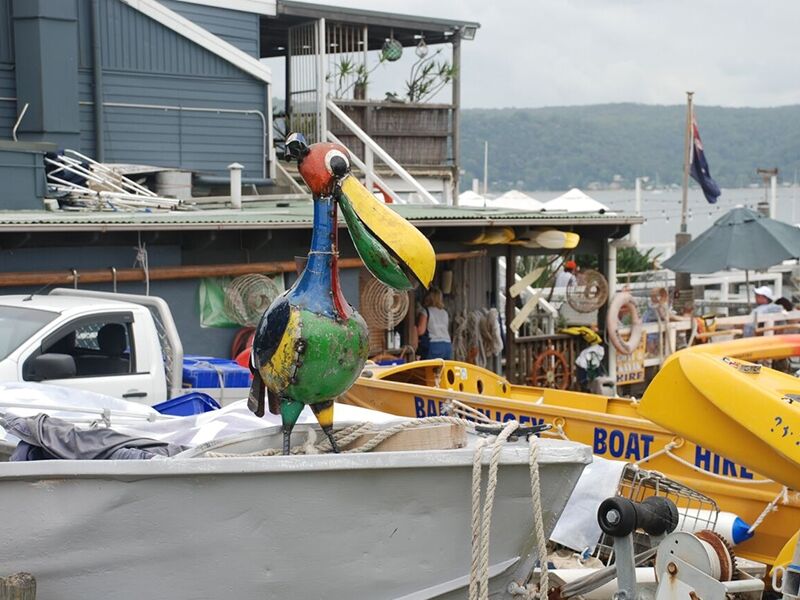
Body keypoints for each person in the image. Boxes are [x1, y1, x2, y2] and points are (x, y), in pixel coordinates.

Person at [416, 288, 452, 360]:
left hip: (434, 345)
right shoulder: (445, 313)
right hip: (447, 345)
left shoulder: (426, 311)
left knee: (429, 369)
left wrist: (413, 328)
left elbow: (421, 331)